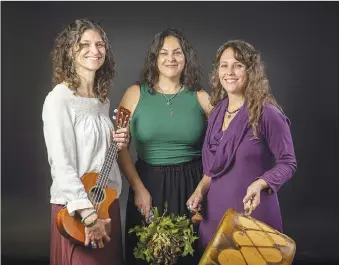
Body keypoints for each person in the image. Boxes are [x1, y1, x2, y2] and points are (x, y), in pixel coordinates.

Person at [187, 40, 297, 249]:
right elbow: (212, 170)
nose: (230, 71)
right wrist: (200, 190)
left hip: (253, 218)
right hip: (214, 220)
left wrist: (261, 183)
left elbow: (288, 162)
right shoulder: (216, 113)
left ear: (251, 70)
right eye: (224, 65)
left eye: (238, 65)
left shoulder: (267, 113)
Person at [118, 28, 211, 265]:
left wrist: (202, 188)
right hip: (148, 183)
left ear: (185, 57)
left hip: (192, 187)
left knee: (189, 256)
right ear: (154, 58)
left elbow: (223, 143)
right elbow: (120, 147)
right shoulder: (134, 94)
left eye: (177, 53)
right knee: (148, 255)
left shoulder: (201, 97)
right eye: (164, 53)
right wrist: (137, 187)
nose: (171, 58)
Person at [42, 19, 129, 265]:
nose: (95, 50)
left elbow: (98, 154)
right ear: (70, 51)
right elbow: (61, 164)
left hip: (106, 201)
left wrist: (118, 142)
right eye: (85, 44)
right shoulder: (59, 98)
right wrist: (89, 216)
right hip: (77, 209)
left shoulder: (102, 101)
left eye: (100, 44)